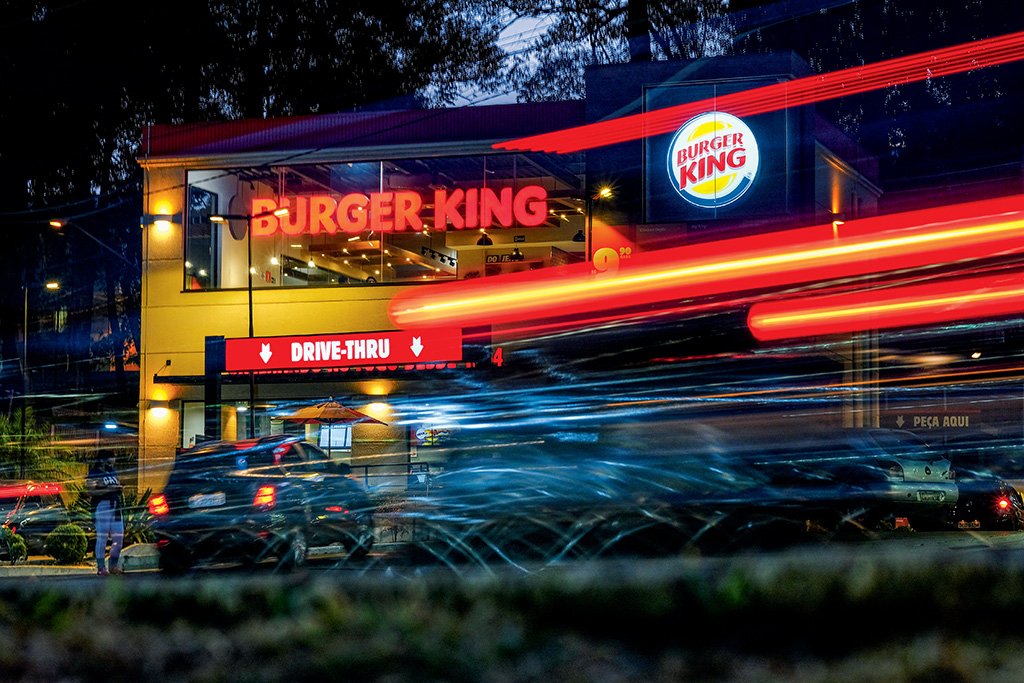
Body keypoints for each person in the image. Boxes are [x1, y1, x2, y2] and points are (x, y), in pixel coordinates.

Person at [85, 450, 124, 575]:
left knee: (119, 537)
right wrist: (108, 490)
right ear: (102, 460)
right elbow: (91, 492)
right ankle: (101, 567)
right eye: (110, 460)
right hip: (102, 506)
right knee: (102, 537)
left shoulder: (112, 472)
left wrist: (118, 489)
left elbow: (116, 485)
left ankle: (113, 565)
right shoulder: (94, 473)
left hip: (115, 507)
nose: (112, 463)